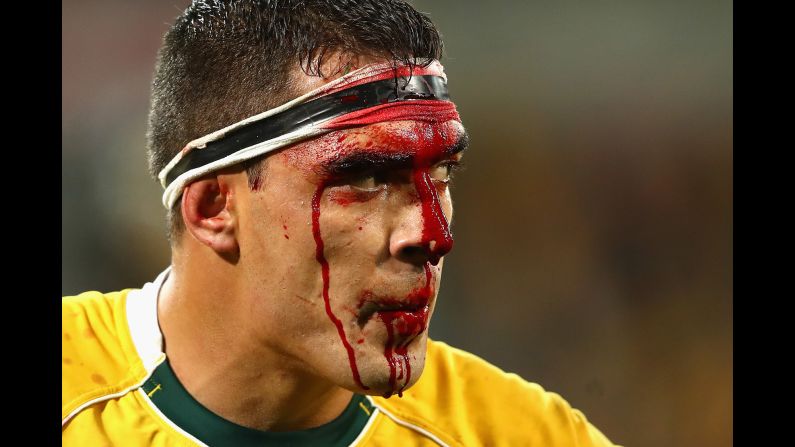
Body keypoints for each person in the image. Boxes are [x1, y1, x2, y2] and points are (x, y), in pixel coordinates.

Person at [62, 1, 620, 445]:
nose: (432, 235)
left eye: (443, 171)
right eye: (367, 178)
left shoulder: (518, 434)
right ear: (213, 208)